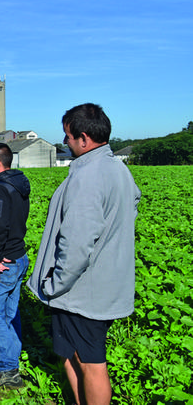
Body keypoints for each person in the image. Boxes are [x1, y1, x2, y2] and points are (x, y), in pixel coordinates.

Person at [27, 103, 140, 405]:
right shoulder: (118, 168)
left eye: (67, 137)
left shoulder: (88, 177)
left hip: (83, 292)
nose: (64, 142)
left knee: (91, 364)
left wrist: (56, 284)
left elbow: (76, 244)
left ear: (84, 138)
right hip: (102, 284)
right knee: (73, 356)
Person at [0, 143, 30, 389]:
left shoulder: (0, 188)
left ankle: (8, 370)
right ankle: (11, 357)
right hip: (19, 255)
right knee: (10, 312)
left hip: (4, 260)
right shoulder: (19, 182)